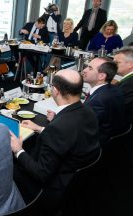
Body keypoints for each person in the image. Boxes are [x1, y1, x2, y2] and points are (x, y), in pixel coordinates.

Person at [11, 69, 100, 213]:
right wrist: (40, 129)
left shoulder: (59, 127)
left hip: (51, 190)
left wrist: (18, 150)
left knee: (8, 164)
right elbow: (70, 136)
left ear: (56, 91)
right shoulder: (88, 111)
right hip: (76, 180)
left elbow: (41, 175)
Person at [82, 57, 128, 145]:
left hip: (92, 145)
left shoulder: (98, 101)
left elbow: (81, 128)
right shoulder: (113, 89)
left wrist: (58, 118)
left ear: (101, 76)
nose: (84, 70)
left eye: (90, 68)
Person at [113, 47, 133, 123]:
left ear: (130, 65)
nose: (113, 65)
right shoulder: (127, 80)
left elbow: (114, 109)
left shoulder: (129, 85)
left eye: (117, 63)